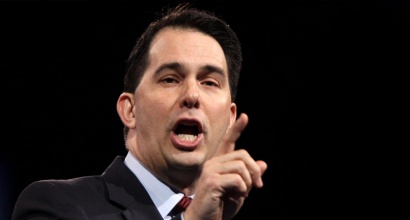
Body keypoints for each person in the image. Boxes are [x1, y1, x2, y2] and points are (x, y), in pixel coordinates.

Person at [12, 2, 268, 220]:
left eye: (209, 82)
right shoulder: (55, 204)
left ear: (229, 119)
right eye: (170, 79)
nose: (192, 95)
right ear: (130, 110)